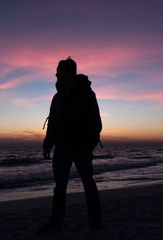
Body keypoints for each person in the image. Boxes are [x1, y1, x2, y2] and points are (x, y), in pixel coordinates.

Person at [37, 57, 103, 233]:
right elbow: (52, 123)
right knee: (59, 188)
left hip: (81, 148)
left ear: (69, 73)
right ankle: (56, 222)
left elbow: (96, 123)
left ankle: (95, 223)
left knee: (88, 184)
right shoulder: (57, 98)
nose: (56, 74)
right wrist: (47, 144)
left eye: (59, 70)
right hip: (62, 149)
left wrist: (88, 147)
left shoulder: (87, 94)